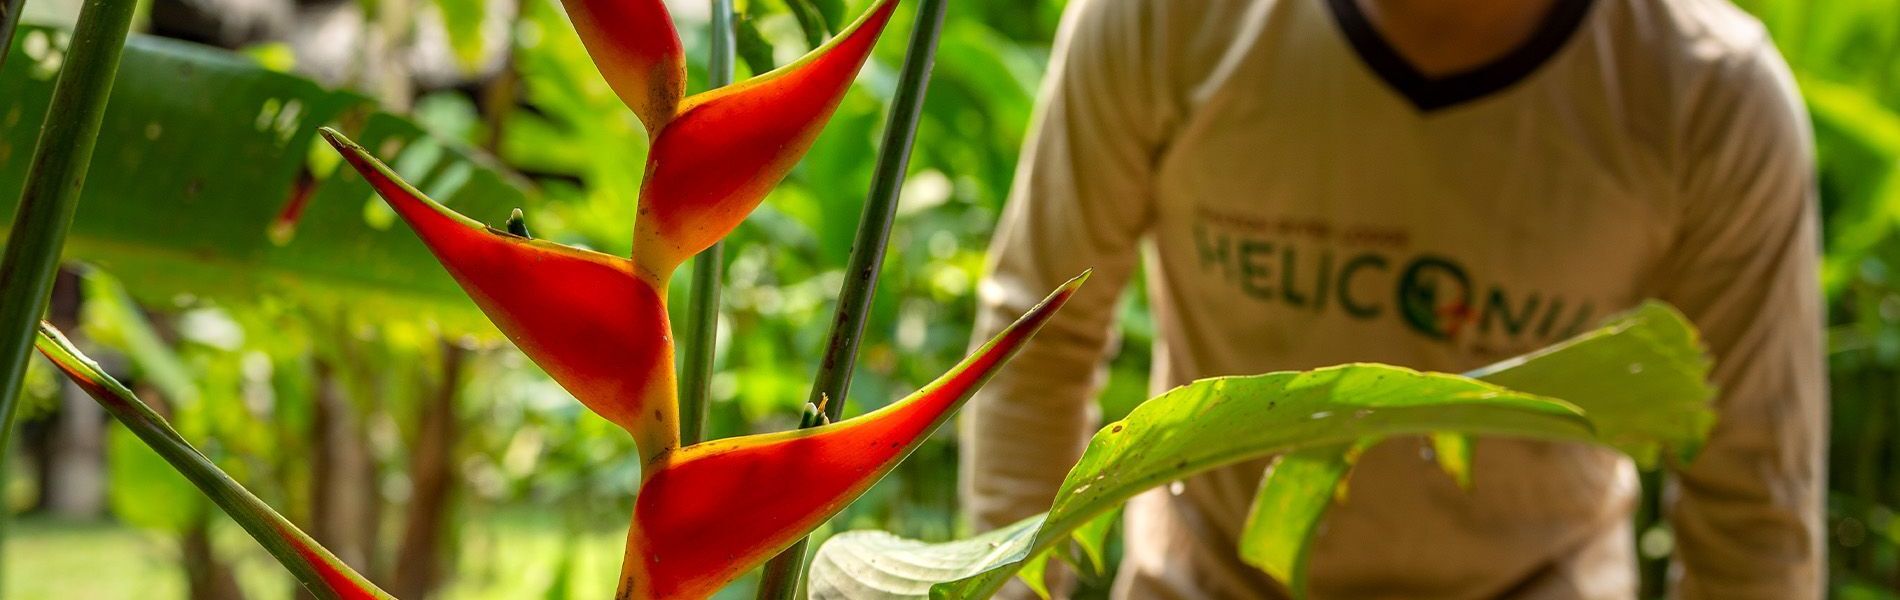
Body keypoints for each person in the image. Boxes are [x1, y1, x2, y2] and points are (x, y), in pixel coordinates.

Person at [957, 0, 1825, 597]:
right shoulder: (1166, 18)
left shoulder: (1711, 96)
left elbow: (1753, 499)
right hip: (1206, 578)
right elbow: (1039, 341)